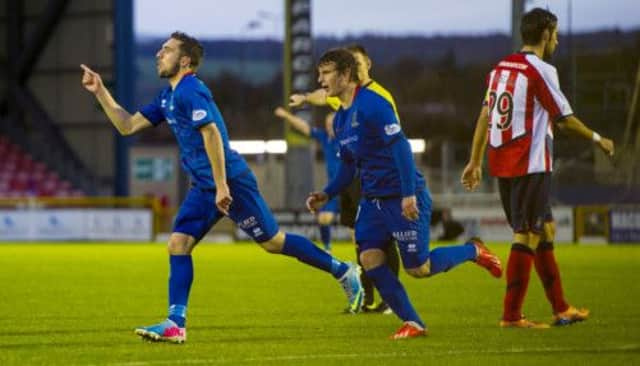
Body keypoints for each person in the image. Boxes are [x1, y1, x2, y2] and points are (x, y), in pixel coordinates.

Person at [80, 32, 364, 344]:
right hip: (204, 186)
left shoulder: (192, 91)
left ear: (185, 60)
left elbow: (212, 133)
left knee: (273, 242)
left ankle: (341, 269)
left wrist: (221, 186)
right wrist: (100, 92)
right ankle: (176, 324)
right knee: (178, 244)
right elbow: (127, 126)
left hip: (231, 182)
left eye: (167, 50)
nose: (158, 55)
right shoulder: (167, 96)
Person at [307, 48, 503, 339]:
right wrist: (327, 192)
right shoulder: (339, 119)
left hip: (402, 197)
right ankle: (413, 322)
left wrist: (408, 194)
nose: (320, 80)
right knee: (370, 258)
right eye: (319, 73)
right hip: (372, 200)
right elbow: (349, 164)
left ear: (346, 75)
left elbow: (400, 147)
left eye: (325, 73)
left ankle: (473, 251)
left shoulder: (374, 105)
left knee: (419, 268)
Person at [461, 8, 615, 328]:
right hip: (530, 163)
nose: (557, 40)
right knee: (528, 234)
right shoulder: (541, 70)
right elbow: (565, 119)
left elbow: (485, 117)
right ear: (545, 34)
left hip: (501, 162)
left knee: (544, 229)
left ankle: (561, 307)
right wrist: (598, 138)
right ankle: (512, 315)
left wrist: (475, 161)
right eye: (555, 34)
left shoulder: (499, 69)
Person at [290, 44, 400, 314]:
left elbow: (396, 142)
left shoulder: (378, 98)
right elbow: (322, 96)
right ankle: (369, 296)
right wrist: (305, 99)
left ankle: (389, 299)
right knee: (360, 238)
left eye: (359, 65)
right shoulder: (344, 100)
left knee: (398, 250)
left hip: (377, 177)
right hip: (353, 176)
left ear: (366, 65)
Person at [273, 108, 339, 252]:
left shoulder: (346, 138)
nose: (329, 127)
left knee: (355, 227)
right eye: (327, 124)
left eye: (332, 124)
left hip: (350, 187)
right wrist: (286, 115)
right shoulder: (325, 138)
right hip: (335, 189)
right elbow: (304, 127)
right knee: (323, 219)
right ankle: (327, 249)